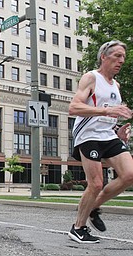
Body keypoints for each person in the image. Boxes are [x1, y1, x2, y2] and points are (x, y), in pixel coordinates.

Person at [68, 40, 133, 243]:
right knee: (96, 183)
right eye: (117, 56)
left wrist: (118, 130)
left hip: (107, 134)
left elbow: (108, 114)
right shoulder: (91, 77)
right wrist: (108, 110)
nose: (121, 61)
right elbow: (74, 107)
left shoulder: (116, 85)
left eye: (123, 57)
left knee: (130, 175)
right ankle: (78, 227)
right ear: (104, 56)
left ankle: (94, 205)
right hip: (88, 135)